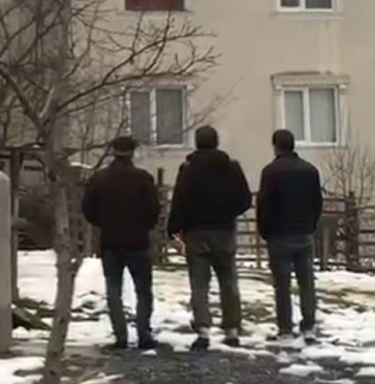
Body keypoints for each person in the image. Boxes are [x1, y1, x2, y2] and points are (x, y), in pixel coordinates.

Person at [167, 125, 252, 351]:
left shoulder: (188, 169)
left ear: (197, 142)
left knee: (199, 284)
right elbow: (245, 199)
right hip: (224, 230)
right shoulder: (231, 168)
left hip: (197, 233)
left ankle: (203, 330)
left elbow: (180, 201)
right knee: (228, 281)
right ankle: (232, 329)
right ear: (216, 142)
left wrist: (174, 229)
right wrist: (229, 212)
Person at [82, 135, 160, 351]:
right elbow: (154, 209)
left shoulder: (100, 178)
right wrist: (144, 226)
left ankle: (121, 335)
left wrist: (103, 223)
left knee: (113, 289)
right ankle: (144, 333)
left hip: (110, 241)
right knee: (143, 289)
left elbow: (88, 209)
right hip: (138, 240)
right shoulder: (143, 178)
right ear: (133, 152)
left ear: (112, 151)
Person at [257, 128, 323, 342]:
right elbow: (317, 202)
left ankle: (285, 328)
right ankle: (309, 325)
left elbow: (264, 205)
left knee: (282, 284)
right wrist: (311, 225)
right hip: (304, 233)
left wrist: (265, 231)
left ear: (275, 146)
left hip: (279, 236)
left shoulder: (271, 172)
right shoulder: (310, 170)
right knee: (307, 282)